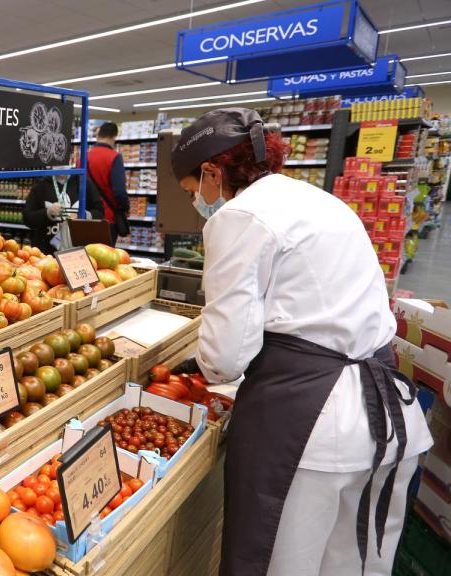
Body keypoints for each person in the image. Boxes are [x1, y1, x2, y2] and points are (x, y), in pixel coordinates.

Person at [170, 108, 432, 576]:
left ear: (212, 171)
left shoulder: (239, 216)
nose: (198, 201)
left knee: (281, 563)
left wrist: (204, 360)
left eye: (194, 190)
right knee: (355, 563)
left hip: (311, 428)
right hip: (387, 415)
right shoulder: (321, 201)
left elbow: (225, 359)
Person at [23, 173, 102, 254]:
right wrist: (47, 213)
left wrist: (83, 215)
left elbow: (99, 212)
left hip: (78, 250)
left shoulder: (83, 181)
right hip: (46, 252)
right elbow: (27, 218)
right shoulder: (40, 184)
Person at [86, 121, 129, 245]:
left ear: (98, 135)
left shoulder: (83, 157)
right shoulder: (114, 157)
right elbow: (119, 191)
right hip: (107, 217)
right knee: (105, 255)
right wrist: (125, 207)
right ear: (114, 136)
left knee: (86, 253)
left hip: (86, 217)